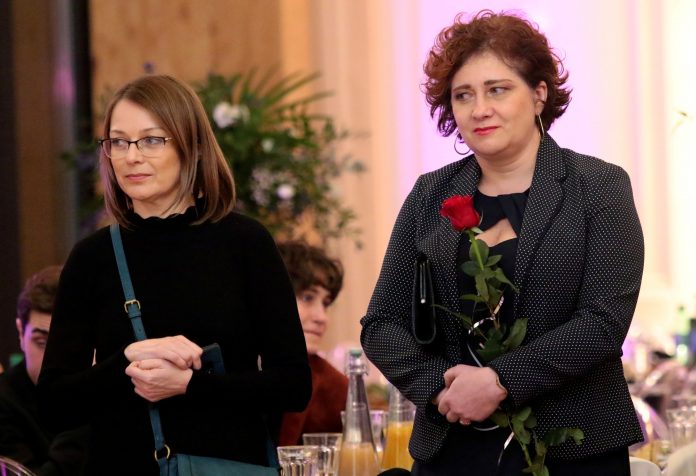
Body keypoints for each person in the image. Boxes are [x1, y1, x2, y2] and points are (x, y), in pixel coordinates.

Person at [360, 10, 644, 475]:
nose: (479, 109)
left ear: (538, 94)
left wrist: (500, 381)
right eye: (463, 95)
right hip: (453, 447)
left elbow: (603, 322)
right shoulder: (430, 194)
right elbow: (381, 325)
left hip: (573, 450)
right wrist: (441, 390)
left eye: (497, 89)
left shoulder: (598, 186)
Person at [37, 74, 312, 475]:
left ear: (192, 147)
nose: (131, 157)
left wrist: (190, 386)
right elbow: (53, 405)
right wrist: (125, 362)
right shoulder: (92, 257)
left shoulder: (245, 243)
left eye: (151, 140)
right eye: (118, 142)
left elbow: (293, 385)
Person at [0, 265, 89, 475]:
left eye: (68, 343)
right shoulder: (4, 402)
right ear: (21, 333)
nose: (54, 359)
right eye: (41, 342)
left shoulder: (112, 389)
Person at [276, 240, 348, 446]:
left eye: (325, 304)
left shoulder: (335, 387)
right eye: (308, 298)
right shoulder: (226, 368)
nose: (322, 317)